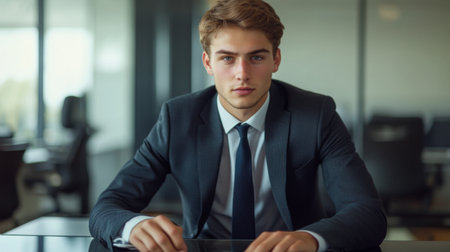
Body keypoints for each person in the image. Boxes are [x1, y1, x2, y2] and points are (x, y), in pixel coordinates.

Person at [89, 0, 387, 251]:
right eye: (227, 58)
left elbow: (367, 213)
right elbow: (107, 206)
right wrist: (133, 226)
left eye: (256, 57)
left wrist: (310, 238)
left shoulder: (316, 114)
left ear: (276, 60)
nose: (242, 74)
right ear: (208, 63)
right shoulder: (177, 118)